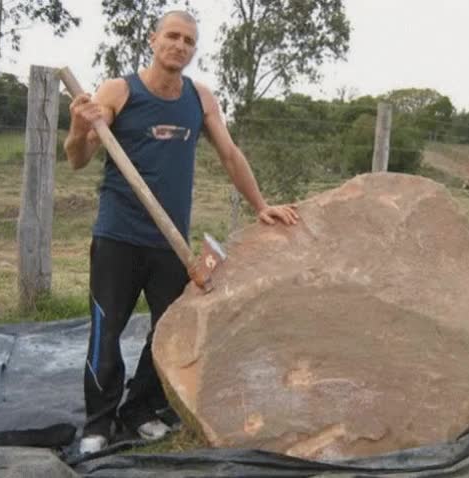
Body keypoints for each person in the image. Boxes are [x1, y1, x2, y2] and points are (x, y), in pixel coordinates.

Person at [64, 10, 299, 455]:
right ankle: (99, 422)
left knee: (168, 329)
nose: (179, 45)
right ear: (153, 41)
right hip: (117, 236)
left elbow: (229, 154)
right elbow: (77, 159)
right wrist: (79, 127)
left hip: (169, 241)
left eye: (189, 41)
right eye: (172, 36)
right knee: (105, 329)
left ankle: (140, 409)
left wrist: (262, 205)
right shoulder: (119, 90)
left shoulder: (200, 98)